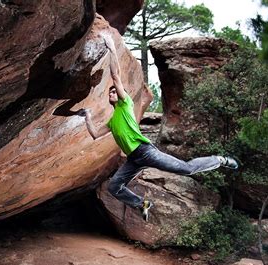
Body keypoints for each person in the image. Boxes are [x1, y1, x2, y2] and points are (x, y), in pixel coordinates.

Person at [77, 35, 238, 222]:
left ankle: (220, 160)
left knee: (186, 169)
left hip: (146, 152)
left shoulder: (125, 104)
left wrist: (112, 49)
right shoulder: (113, 121)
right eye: (110, 92)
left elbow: (115, 76)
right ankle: (142, 204)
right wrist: (87, 116)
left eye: (115, 91)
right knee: (114, 187)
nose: (112, 93)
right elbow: (95, 134)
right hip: (134, 159)